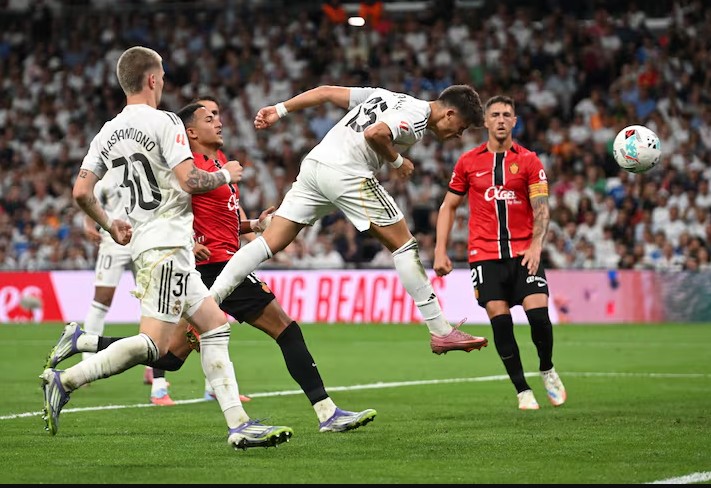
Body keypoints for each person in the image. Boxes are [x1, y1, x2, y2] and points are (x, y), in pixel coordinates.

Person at [49, 98, 377, 433]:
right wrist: (188, 241)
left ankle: (83, 342)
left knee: (169, 356)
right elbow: (164, 208)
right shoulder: (188, 168)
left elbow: (224, 221)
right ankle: (325, 412)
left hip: (216, 263)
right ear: (190, 132)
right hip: (215, 266)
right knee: (286, 329)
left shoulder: (218, 163)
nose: (218, 122)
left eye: (218, 115)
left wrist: (254, 224)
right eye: (209, 118)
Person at [40, 46, 293, 450]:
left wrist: (110, 224)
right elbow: (191, 180)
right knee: (155, 345)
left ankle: (239, 425)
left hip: (157, 244)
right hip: (165, 245)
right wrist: (225, 175)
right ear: (153, 79)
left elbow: (81, 191)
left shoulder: (106, 132)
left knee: (215, 326)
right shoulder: (166, 121)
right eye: (163, 76)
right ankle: (66, 379)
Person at [209, 84, 489, 354]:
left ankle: (210, 302)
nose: (459, 135)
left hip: (316, 165)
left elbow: (325, 92)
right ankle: (440, 330)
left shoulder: (386, 95)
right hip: (347, 173)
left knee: (268, 242)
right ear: (449, 113)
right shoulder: (417, 116)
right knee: (404, 245)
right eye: (462, 127)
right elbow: (375, 133)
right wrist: (398, 162)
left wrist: (280, 109)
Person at [433, 95, 566, 410]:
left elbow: (541, 208)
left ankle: (547, 368)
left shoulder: (530, 161)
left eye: (507, 114)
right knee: (500, 320)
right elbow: (449, 206)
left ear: (515, 121)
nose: (501, 120)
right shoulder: (468, 162)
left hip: (524, 252)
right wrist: (440, 250)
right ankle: (522, 390)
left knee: (538, 316)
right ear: (485, 121)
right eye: (495, 115)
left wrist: (536, 245)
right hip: (485, 255)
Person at [78, 173, 173, 406]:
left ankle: (152, 367)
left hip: (142, 239)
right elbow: (88, 197)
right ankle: (86, 360)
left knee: (150, 301)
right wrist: (88, 224)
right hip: (113, 239)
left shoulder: (143, 167)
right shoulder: (105, 177)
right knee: (102, 299)